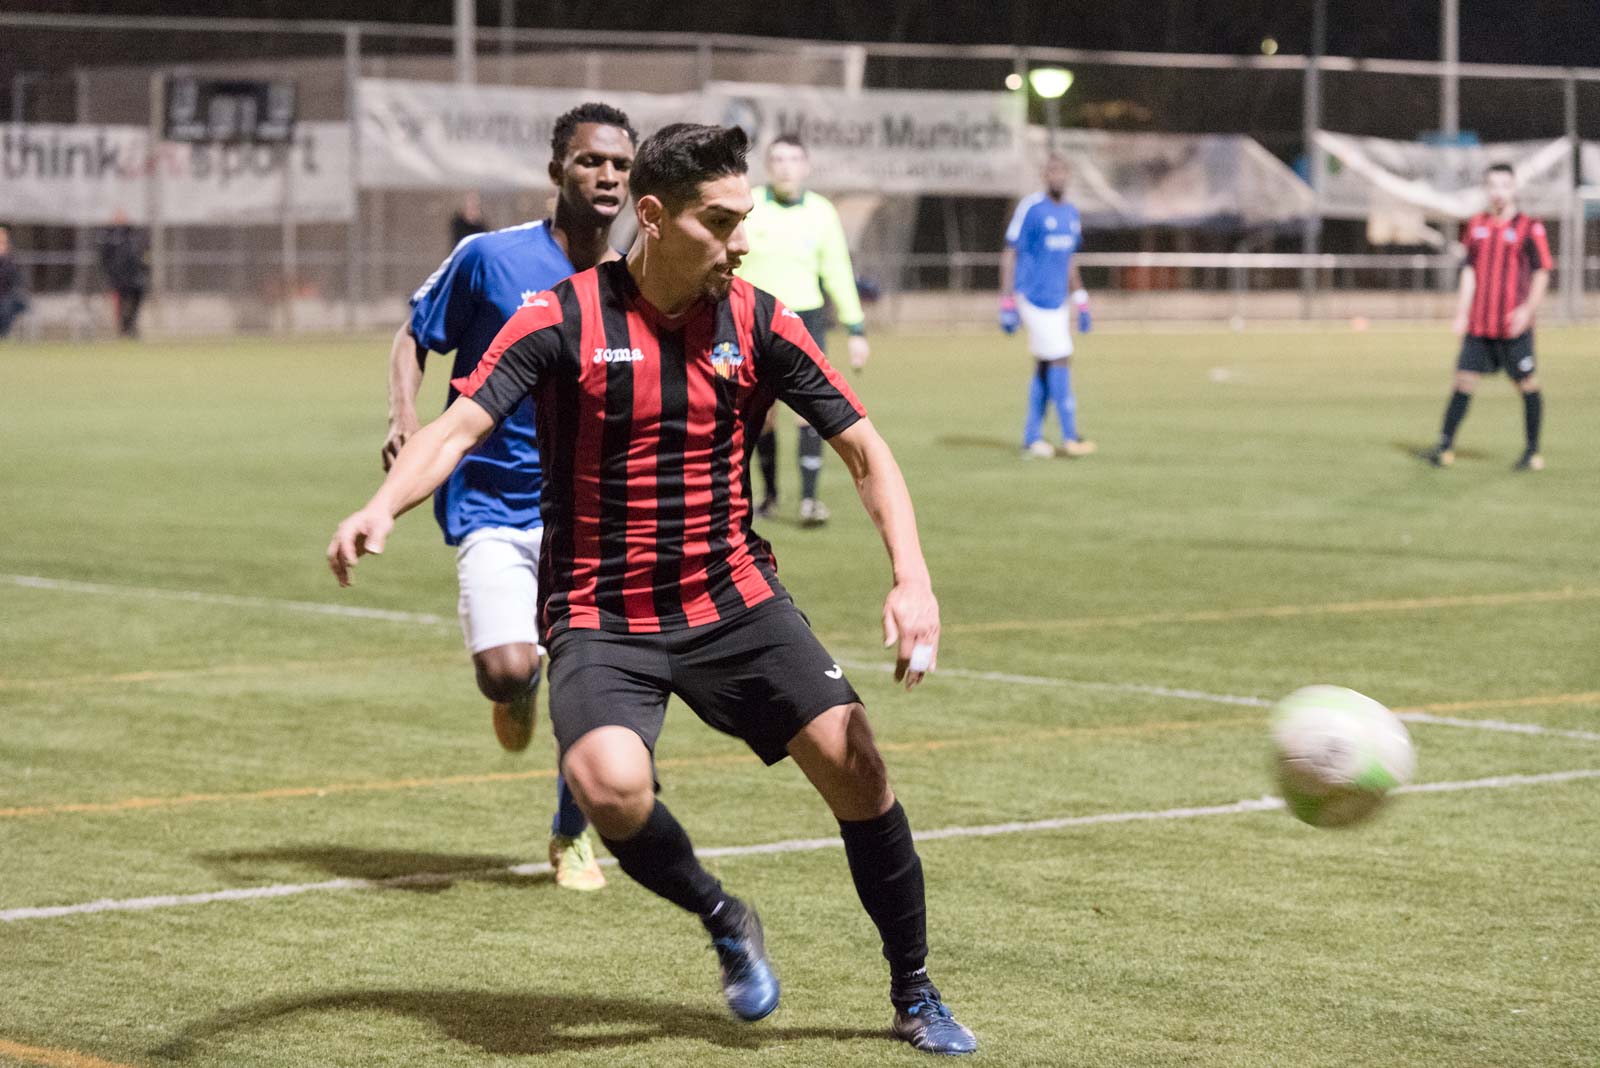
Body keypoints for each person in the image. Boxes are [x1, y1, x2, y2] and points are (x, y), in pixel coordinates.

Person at [329, 123, 977, 1056]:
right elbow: (459, 424)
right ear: (654, 217)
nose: (742, 241)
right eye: (721, 222)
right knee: (606, 782)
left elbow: (866, 452)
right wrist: (382, 503)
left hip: (732, 596)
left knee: (858, 764)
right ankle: (721, 915)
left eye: (745, 218)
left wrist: (911, 580)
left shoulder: (760, 321)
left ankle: (914, 991)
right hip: (601, 610)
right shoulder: (561, 317)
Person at [382, 102, 638, 892]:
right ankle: (515, 686)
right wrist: (404, 421)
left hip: (591, 513)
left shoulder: (633, 281)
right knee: (505, 668)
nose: (608, 177)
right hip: (491, 501)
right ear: (557, 167)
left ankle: (571, 834)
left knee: (589, 681)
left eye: (621, 167)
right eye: (592, 161)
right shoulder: (489, 258)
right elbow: (412, 335)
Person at [735, 135, 871, 527]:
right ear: (768, 165)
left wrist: (856, 328)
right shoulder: (751, 205)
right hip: (753, 319)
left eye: (794, 159)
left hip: (804, 321)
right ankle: (769, 496)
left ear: (806, 166)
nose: (786, 166)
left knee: (806, 413)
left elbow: (838, 271)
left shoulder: (822, 212)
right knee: (759, 413)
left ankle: (810, 500)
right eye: (778, 158)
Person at [1425, 163, 1552, 471]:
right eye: (1492, 185)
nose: (1498, 192)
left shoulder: (1529, 227)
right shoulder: (1477, 225)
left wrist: (1527, 310)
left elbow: (1542, 272)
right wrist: (1462, 313)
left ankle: (1532, 451)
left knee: (1527, 384)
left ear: (1514, 188)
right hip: (1480, 326)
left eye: (1504, 185)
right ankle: (1443, 446)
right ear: (1486, 188)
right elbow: (1469, 271)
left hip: (1512, 327)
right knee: (1463, 381)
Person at [1000, 155, 1097, 459]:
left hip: (1058, 300)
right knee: (1060, 358)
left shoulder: (1070, 213)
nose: (1058, 177)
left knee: (1045, 364)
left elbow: (1069, 259)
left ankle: (1032, 438)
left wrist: (1080, 298)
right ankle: (1070, 436)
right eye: (1053, 172)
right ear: (1044, 175)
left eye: (1063, 172)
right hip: (1033, 296)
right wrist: (1007, 300)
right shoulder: (1032, 208)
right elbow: (1009, 252)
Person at [98, 212, 150, 339]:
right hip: (119, 277)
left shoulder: (134, 234)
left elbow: (144, 255)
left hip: (135, 276)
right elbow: (104, 258)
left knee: (136, 300)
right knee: (121, 302)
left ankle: (131, 325)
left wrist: (145, 270)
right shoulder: (109, 235)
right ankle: (123, 328)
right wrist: (110, 274)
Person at [0, 227, 29, 340]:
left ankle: (4, 335)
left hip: (7, 296)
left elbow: (16, 279)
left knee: (7, 308)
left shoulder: (10, 261)